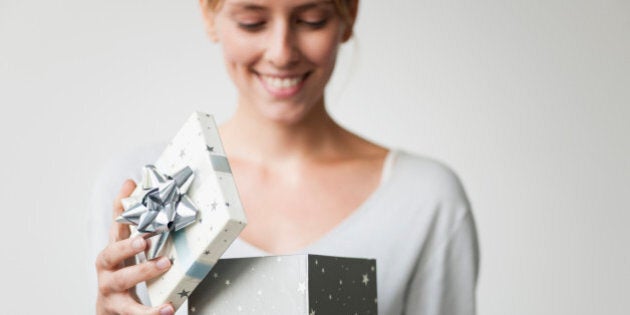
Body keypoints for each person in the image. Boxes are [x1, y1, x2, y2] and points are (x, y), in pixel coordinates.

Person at [92, 0, 480, 314]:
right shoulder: (140, 183)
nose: (281, 53)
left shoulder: (423, 198)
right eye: (252, 21)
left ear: (349, 15)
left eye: (311, 20)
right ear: (211, 15)